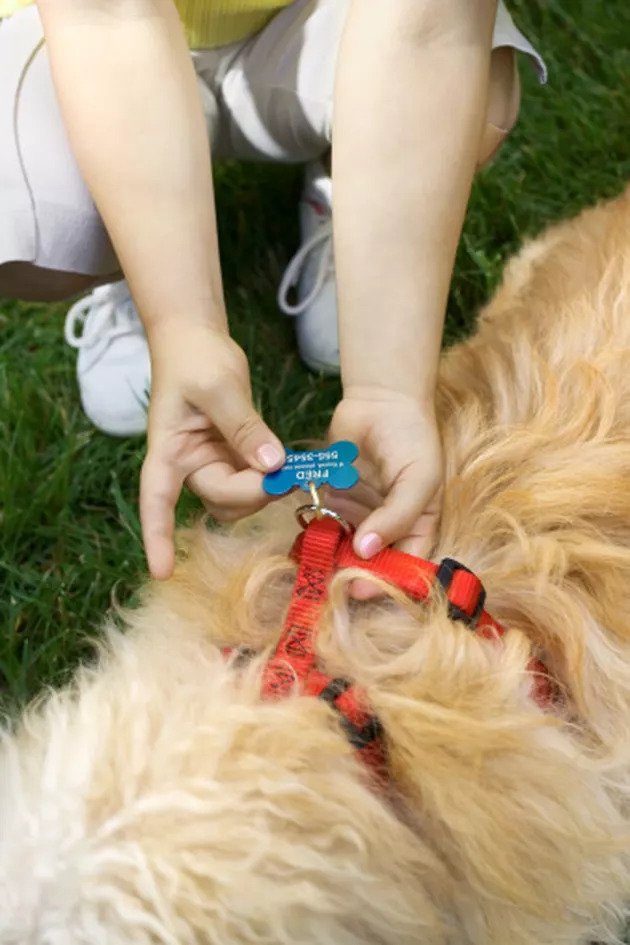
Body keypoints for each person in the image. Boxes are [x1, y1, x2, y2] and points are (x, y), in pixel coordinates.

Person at [0, 0, 545, 582]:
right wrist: (183, 327)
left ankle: (348, 202)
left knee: (476, 92)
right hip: (79, 39)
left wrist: (389, 389)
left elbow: (426, 26)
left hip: (310, 23)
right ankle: (133, 262)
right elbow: (106, 18)